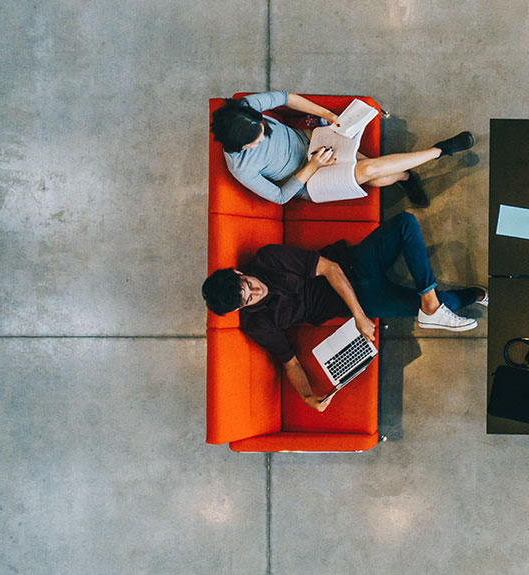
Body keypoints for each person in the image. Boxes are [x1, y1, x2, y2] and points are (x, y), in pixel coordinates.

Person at [202, 212, 485, 411]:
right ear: (240, 308)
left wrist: (360, 318)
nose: (256, 292)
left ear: (240, 272)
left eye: (248, 285)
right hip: (366, 299)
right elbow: (290, 362)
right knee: (446, 301)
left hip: (354, 265)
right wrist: (306, 396)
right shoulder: (257, 325)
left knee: (405, 223)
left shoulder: (267, 259)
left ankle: (431, 303)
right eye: (247, 299)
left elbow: (330, 268)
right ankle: (474, 295)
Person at [209, 90, 475, 208]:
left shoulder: (243, 107)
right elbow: (280, 197)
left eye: (263, 128)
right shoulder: (241, 167)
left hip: (313, 141)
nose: (265, 136)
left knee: (380, 177)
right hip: (309, 182)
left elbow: (286, 97)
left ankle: (406, 177)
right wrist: (312, 167)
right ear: (242, 147)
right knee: (371, 168)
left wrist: (327, 114)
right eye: (257, 140)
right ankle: (441, 150)